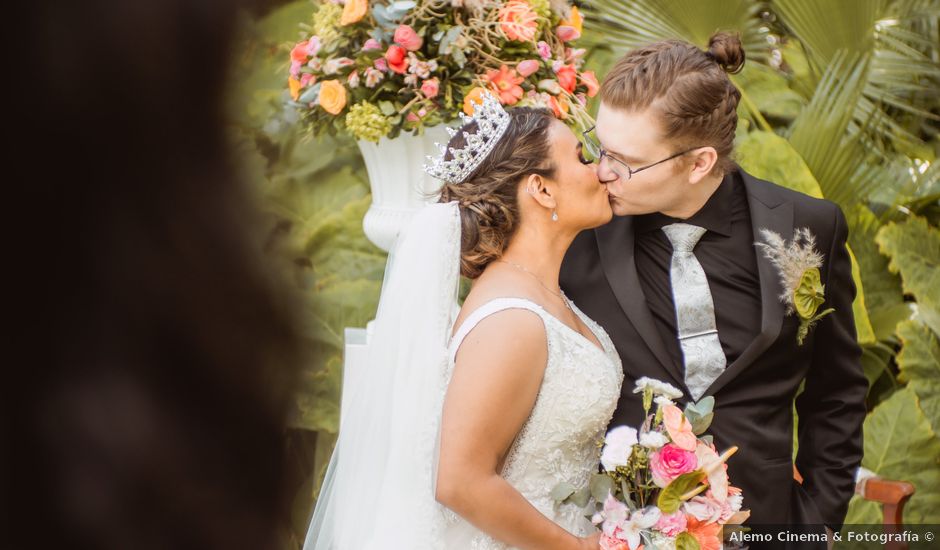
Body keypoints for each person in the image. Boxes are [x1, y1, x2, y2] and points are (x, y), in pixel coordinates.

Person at [560, 32, 868, 546]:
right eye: (598, 147)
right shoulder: (573, 234)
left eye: (626, 161)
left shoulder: (809, 228)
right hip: (613, 528)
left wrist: (814, 525)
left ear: (700, 162)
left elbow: (836, 393)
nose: (602, 171)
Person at [305, 93, 620, 549]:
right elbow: (459, 480)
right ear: (542, 188)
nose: (600, 170)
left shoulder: (544, 296)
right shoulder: (510, 319)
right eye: (581, 157)